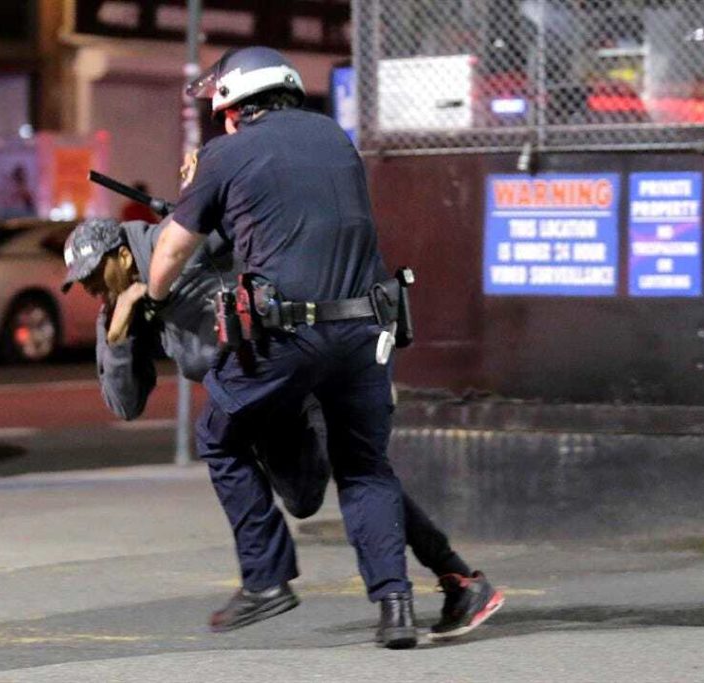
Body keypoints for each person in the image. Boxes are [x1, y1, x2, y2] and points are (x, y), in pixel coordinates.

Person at [147, 46, 500, 648]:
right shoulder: (336, 138)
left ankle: (266, 579)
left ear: (236, 102)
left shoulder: (223, 153)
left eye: (222, 109)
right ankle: (395, 608)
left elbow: (173, 256)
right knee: (364, 466)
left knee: (218, 435)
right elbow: (287, 222)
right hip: (367, 331)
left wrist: (155, 293)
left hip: (286, 336)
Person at [61, 215, 504, 644]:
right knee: (311, 494)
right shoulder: (120, 309)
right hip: (255, 403)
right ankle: (451, 583)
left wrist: (209, 183)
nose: (90, 288)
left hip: (290, 368)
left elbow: (245, 223)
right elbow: (125, 404)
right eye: (81, 283)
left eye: (94, 275)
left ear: (121, 255)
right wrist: (118, 338)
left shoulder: (180, 242)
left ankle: (449, 579)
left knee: (356, 470)